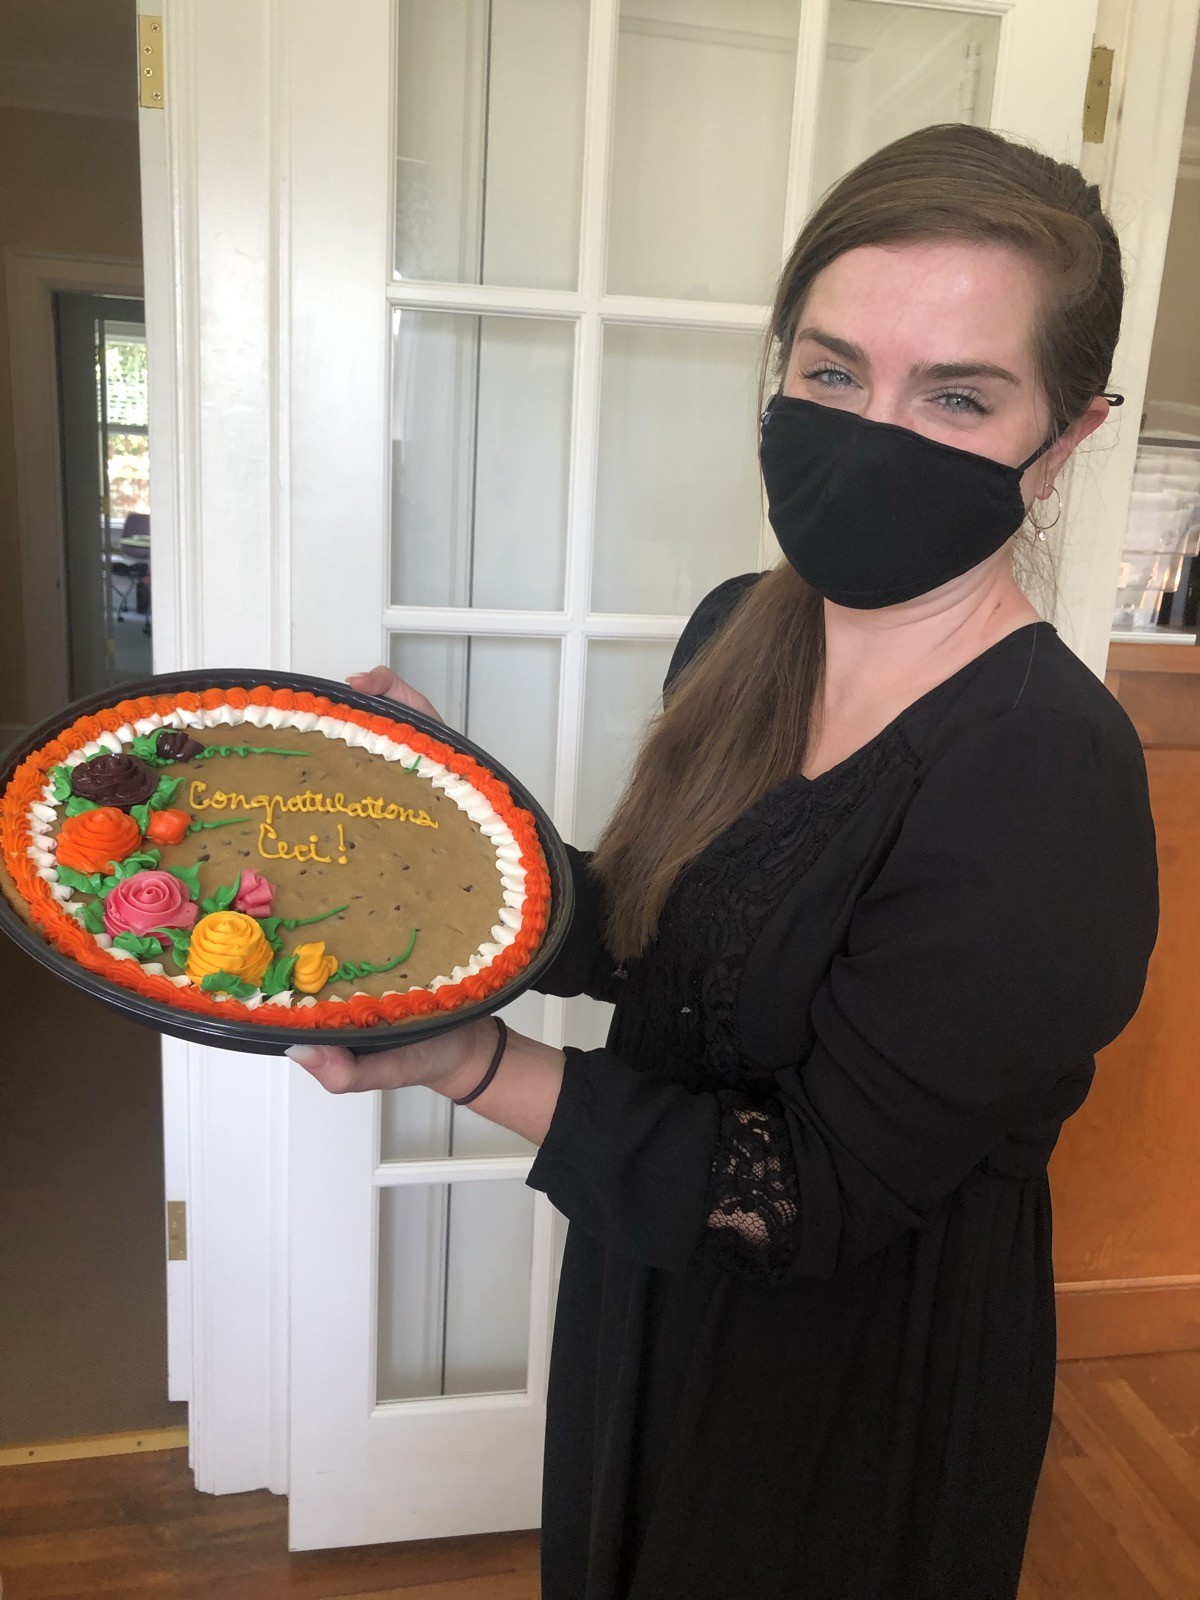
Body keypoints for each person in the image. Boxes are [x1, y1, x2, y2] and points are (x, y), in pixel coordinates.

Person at [288, 124, 1160, 1600]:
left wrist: (467, 1063)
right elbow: (654, 938)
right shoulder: (740, 629)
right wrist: (452, 820)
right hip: (654, 1281)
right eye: (832, 372)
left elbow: (800, 1193)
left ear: (1062, 438)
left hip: (850, 1377)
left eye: (956, 395)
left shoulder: (1043, 770)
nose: (873, 428)